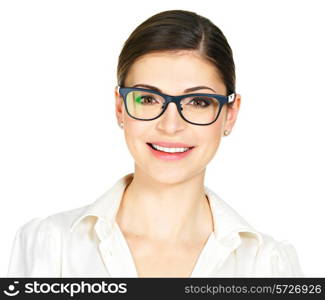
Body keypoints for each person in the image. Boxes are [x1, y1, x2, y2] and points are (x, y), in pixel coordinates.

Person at [7, 9, 303, 277]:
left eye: (199, 101)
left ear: (230, 114)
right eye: (148, 99)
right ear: (120, 108)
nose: (170, 125)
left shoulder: (268, 266)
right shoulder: (48, 245)